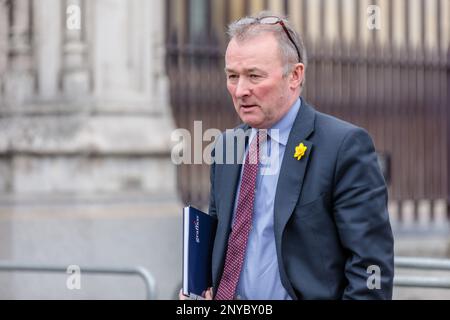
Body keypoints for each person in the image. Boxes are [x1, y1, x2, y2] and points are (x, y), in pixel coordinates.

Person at [180, 11, 394, 300]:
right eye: (232, 76)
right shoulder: (226, 147)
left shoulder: (343, 146)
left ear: (294, 76)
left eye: (254, 75)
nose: (241, 90)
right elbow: (218, 245)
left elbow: (370, 269)